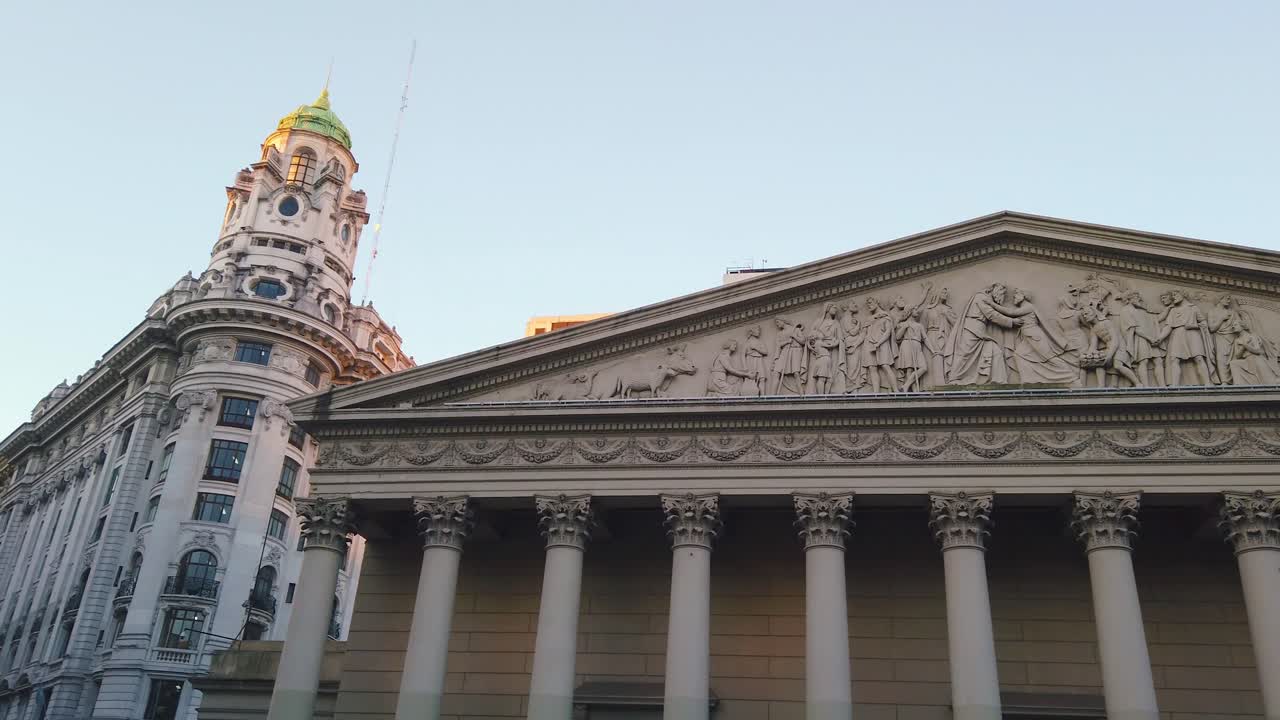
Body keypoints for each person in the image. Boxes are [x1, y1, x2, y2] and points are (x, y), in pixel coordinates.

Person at [991, 289, 1078, 385]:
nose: (1014, 297)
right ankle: (1028, 380)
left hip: (1035, 337)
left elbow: (1011, 313)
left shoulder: (1029, 307)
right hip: (1028, 338)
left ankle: (1071, 377)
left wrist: (992, 304)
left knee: (1049, 358)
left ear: (1023, 296)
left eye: (1016, 295)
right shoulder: (1025, 308)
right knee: (1019, 355)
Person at [943, 283, 1022, 385]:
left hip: (980, 331)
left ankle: (999, 380)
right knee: (964, 355)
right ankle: (954, 378)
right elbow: (992, 315)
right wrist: (1011, 322)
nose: (1002, 297)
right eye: (1002, 294)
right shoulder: (981, 297)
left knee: (996, 351)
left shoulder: (985, 299)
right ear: (996, 290)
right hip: (972, 329)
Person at [1154, 290, 1214, 386]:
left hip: (1192, 334)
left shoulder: (1193, 308)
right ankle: (1175, 385)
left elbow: (1203, 323)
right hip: (1177, 334)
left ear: (1184, 295)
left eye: (1176, 295)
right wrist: (1160, 338)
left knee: (1199, 358)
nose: (1174, 297)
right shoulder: (1173, 310)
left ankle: (1207, 383)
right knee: (1174, 359)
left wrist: (1193, 326)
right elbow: (1168, 326)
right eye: (1173, 296)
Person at [1081, 307, 1142, 388]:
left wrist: (1109, 355)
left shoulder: (1107, 323)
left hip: (1119, 347)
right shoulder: (1094, 329)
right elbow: (1093, 345)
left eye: (1086, 313)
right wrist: (1087, 356)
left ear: (1094, 313)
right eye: (1083, 315)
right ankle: (1101, 386)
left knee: (1117, 365)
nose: (1085, 316)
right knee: (1099, 363)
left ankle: (1137, 383)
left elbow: (1115, 340)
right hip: (1109, 347)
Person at [1115, 291, 1166, 387]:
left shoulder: (1141, 311)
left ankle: (1163, 386)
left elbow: (1156, 320)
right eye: (1136, 297)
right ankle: (1146, 387)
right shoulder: (1125, 310)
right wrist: (1150, 338)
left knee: (1158, 360)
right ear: (1129, 299)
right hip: (1140, 338)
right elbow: (1134, 328)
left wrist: (1168, 308)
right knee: (1143, 361)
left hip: (1151, 337)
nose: (1139, 299)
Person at [920, 287, 956, 389]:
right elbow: (922, 327)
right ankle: (931, 387)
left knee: (944, 359)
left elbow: (956, 324)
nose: (945, 294)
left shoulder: (948, 309)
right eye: (943, 292)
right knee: (933, 360)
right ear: (937, 294)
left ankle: (944, 382)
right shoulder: (928, 310)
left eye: (946, 292)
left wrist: (947, 316)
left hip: (945, 336)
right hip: (930, 336)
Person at [862, 298, 898, 393]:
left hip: (882, 344)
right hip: (869, 343)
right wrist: (854, 345)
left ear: (877, 302)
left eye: (870, 303)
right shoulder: (869, 319)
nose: (869, 306)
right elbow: (863, 334)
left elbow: (888, 332)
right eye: (867, 304)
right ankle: (876, 393)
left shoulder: (886, 316)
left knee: (885, 366)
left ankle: (896, 390)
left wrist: (878, 343)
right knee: (872, 368)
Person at [1208, 295, 1245, 385]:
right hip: (1220, 337)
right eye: (1227, 298)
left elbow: (1240, 325)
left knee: (1235, 358)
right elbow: (1212, 328)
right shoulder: (1212, 312)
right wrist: (1221, 319)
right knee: (1221, 359)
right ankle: (1224, 381)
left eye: (1229, 299)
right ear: (1220, 299)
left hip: (1233, 337)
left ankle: (1237, 380)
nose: (1229, 301)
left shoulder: (1232, 312)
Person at [809, 303, 844, 395]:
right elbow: (810, 338)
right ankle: (820, 394)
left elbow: (840, 338)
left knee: (830, 377)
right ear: (828, 309)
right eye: (834, 308)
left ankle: (828, 393)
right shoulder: (818, 322)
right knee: (821, 376)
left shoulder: (836, 323)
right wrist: (814, 345)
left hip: (832, 352)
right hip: (819, 354)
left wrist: (834, 343)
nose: (835, 310)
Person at [771, 317, 808, 395]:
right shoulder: (780, 333)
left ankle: (801, 393)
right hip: (784, 352)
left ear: (783, 321)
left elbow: (803, 341)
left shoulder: (796, 330)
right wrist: (787, 341)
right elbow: (778, 344)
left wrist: (794, 336)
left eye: (778, 322)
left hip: (795, 351)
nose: (777, 325)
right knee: (776, 372)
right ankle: (772, 395)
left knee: (796, 373)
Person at [894, 307, 928, 392]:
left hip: (917, 345)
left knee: (923, 368)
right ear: (910, 311)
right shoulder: (903, 324)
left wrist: (933, 350)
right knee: (909, 369)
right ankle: (915, 391)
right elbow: (897, 337)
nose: (917, 312)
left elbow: (925, 338)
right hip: (907, 344)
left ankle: (906, 386)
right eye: (915, 310)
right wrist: (904, 327)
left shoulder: (919, 325)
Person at [839, 302, 866, 393]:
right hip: (851, 344)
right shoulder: (846, 318)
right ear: (846, 307)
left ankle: (854, 390)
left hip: (855, 344)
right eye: (853, 303)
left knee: (855, 368)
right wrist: (859, 324)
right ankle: (850, 389)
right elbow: (853, 332)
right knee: (852, 368)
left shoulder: (850, 318)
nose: (855, 304)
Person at [742, 326, 770, 396]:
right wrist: (745, 367)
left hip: (759, 360)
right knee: (751, 379)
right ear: (751, 332)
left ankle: (763, 396)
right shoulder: (747, 343)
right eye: (757, 330)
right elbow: (742, 355)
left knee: (762, 378)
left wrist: (756, 348)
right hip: (750, 361)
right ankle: (751, 395)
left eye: (759, 330)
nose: (759, 332)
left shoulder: (760, 342)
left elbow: (765, 352)